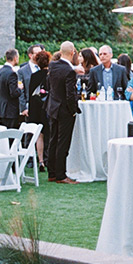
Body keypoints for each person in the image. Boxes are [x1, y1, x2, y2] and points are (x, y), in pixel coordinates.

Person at [46, 41, 81, 184]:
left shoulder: (52, 66)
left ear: (60, 52)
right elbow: (70, 95)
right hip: (64, 110)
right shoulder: (69, 71)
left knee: (53, 139)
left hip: (53, 107)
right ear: (72, 53)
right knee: (63, 142)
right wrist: (73, 110)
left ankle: (52, 172)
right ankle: (61, 175)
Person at [27, 48, 51, 170]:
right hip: (47, 107)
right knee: (49, 134)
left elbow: (30, 94)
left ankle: (41, 160)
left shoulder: (34, 76)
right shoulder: (51, 75)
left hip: (36, 108)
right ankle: (49, 159)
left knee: (39, 136)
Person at [0, 48, 21, 129]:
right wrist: (20, 88)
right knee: (11, 134)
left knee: (3, 134)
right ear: (15, 58)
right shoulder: (12, 74)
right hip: (11, 111)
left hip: (1, 110)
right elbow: (14, 93)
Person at [18, 44, 45, 119]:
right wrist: (23, 108)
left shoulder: (45, 68)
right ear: (30, 55)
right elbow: (21, 91)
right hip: (29, 106)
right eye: (37, 53)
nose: (40, 55)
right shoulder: (22, 71)